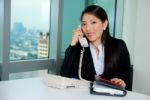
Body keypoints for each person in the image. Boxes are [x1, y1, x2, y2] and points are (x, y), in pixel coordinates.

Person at [60, 5, 131, 90]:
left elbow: (126, 75)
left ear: (104, 24)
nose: (88, 28)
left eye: (93, 22)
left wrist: (122, 81)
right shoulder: (80, 48)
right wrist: (73, 43)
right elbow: (64, 75)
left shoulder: (119, 45)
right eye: (84, 24)